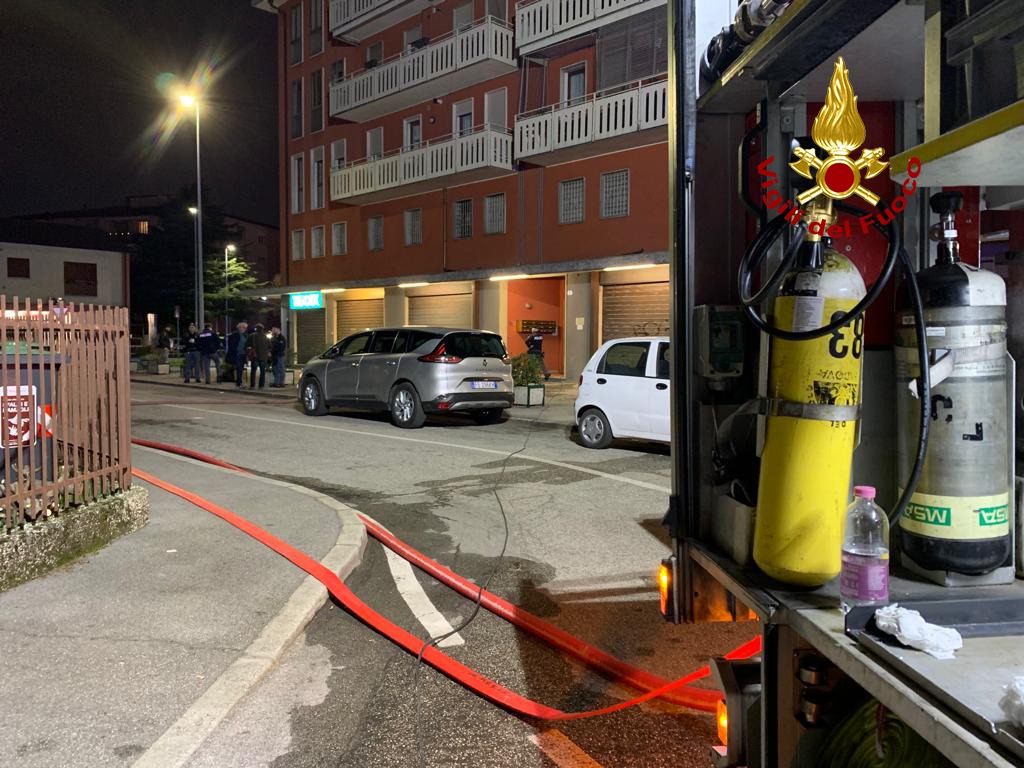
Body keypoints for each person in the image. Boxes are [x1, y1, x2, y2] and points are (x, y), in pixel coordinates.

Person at [246, 323, 272, 390]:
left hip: (255, 356)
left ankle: (252, 385)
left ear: (256, 329)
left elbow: (247, 345)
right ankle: (261, 385)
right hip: (263, 357)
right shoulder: (265, 337)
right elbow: (270, 346)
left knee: (253, 371)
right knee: (262, 371)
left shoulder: (252, 336)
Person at [226, 321, 249, 389]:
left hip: (243, 354)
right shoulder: (234, 335)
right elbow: (231, 345)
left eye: (245, 328)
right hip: (237, 355)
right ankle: (238, 384)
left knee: (241, 369)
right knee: (239, 369)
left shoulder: (246, 335)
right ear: (239, 328)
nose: (244, 329)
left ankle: (240, 383)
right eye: (242, 327)